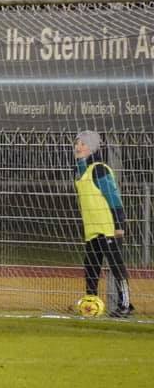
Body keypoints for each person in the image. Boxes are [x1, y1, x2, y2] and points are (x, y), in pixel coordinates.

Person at [74, 130, 133, 318]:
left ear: (92, 148)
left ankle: (126, 305)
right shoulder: (80, 171)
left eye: (83, 144)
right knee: (91, 267)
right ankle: (91, 303)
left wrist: (119, 224)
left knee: (116, 266)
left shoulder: (99, 169)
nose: (78, 147)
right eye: (77, 143)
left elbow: (114, 198)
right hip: (92, 229)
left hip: (108, 228)